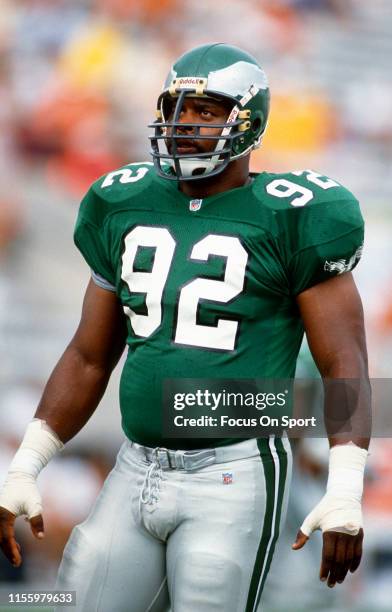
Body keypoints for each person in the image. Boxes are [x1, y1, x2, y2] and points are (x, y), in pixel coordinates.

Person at [0, 43, 370, 612]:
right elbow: (88, 355)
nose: (184, 123)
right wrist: (26, 464)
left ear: (249, 122)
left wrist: (346, 485)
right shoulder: (124, 202)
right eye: (176, 106)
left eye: (206, 110)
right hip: (135, 464)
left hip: (234, 471)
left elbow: (343, 362)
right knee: (71, 602)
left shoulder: (296, 214)